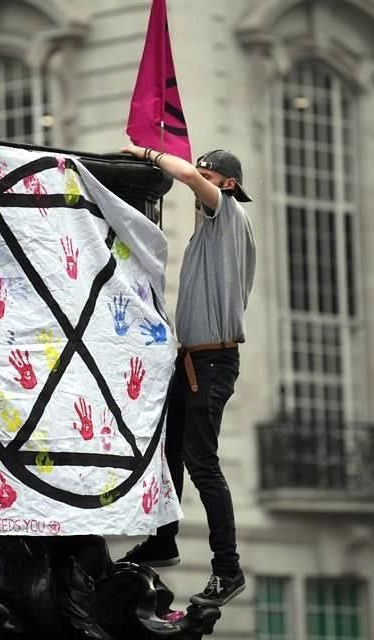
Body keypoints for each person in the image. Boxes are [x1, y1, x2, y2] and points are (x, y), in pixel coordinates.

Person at [118, 144, 256, 607]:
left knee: (202, 462)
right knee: (167, 451)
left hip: (212, 362)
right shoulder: (210, 233)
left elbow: (190, 179)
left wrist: (149, 154)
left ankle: (227, 568)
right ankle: (163, 539)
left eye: (207, 176)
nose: (198, 182)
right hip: (194, 361)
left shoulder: (228, 213)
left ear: (227, 184)